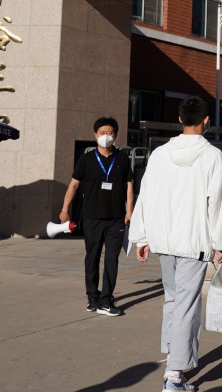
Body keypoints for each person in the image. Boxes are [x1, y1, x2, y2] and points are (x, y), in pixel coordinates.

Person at [129, 96, 222, 392]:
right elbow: (218, 204)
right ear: (206, 121)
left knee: (173, 301)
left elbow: (145, 194)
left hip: (163, 239)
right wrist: (220, 243)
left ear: (179, 119)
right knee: (186, 305)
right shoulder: (213, 156)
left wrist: (142, 236)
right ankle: (174, 376)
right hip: (194, 240)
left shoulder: (160, 154)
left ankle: (172, 358)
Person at [60, 117, 133, 316]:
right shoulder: (87, 159)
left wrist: (129, 210)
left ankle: (106, 299)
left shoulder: (123, 158)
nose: (106, 136)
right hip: (92, 218)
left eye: (109, 133)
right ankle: (92, 296)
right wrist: (65, 208)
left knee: (112, 260)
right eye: (102, 133)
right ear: (95, 135)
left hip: (116, 218)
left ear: (116, 135)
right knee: (91, 258)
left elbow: (129, 185)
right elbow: (74, 184)